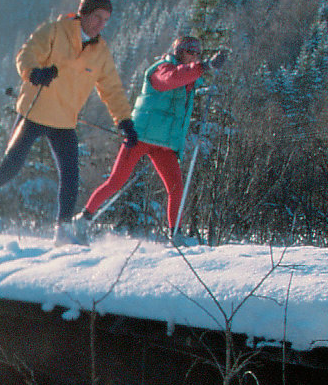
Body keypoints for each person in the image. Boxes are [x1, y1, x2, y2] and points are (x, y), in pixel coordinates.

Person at [0, 0, 134, 243]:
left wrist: (124, 120)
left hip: (64, 121)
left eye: (106, 20)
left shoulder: (101, 52)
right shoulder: (55, 31)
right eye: (97, 17)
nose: (101, 24)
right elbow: (26, 54)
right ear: (84, 13)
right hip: (34, 112)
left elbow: (111, 88)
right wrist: (34, 73)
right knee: (11, 166)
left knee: (70, 174)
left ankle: (62, 230)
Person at [79, 31, 226, 241]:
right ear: (178, 52)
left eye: (197, 52)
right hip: (140, 137)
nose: (194, 55)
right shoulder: (161, 69)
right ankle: (82, 220)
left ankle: (176, 235)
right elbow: (171, 80)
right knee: (115, 182)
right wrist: (204, 67)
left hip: (164, 145)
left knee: (176, 189)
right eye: (190, 51)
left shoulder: (189, 80)